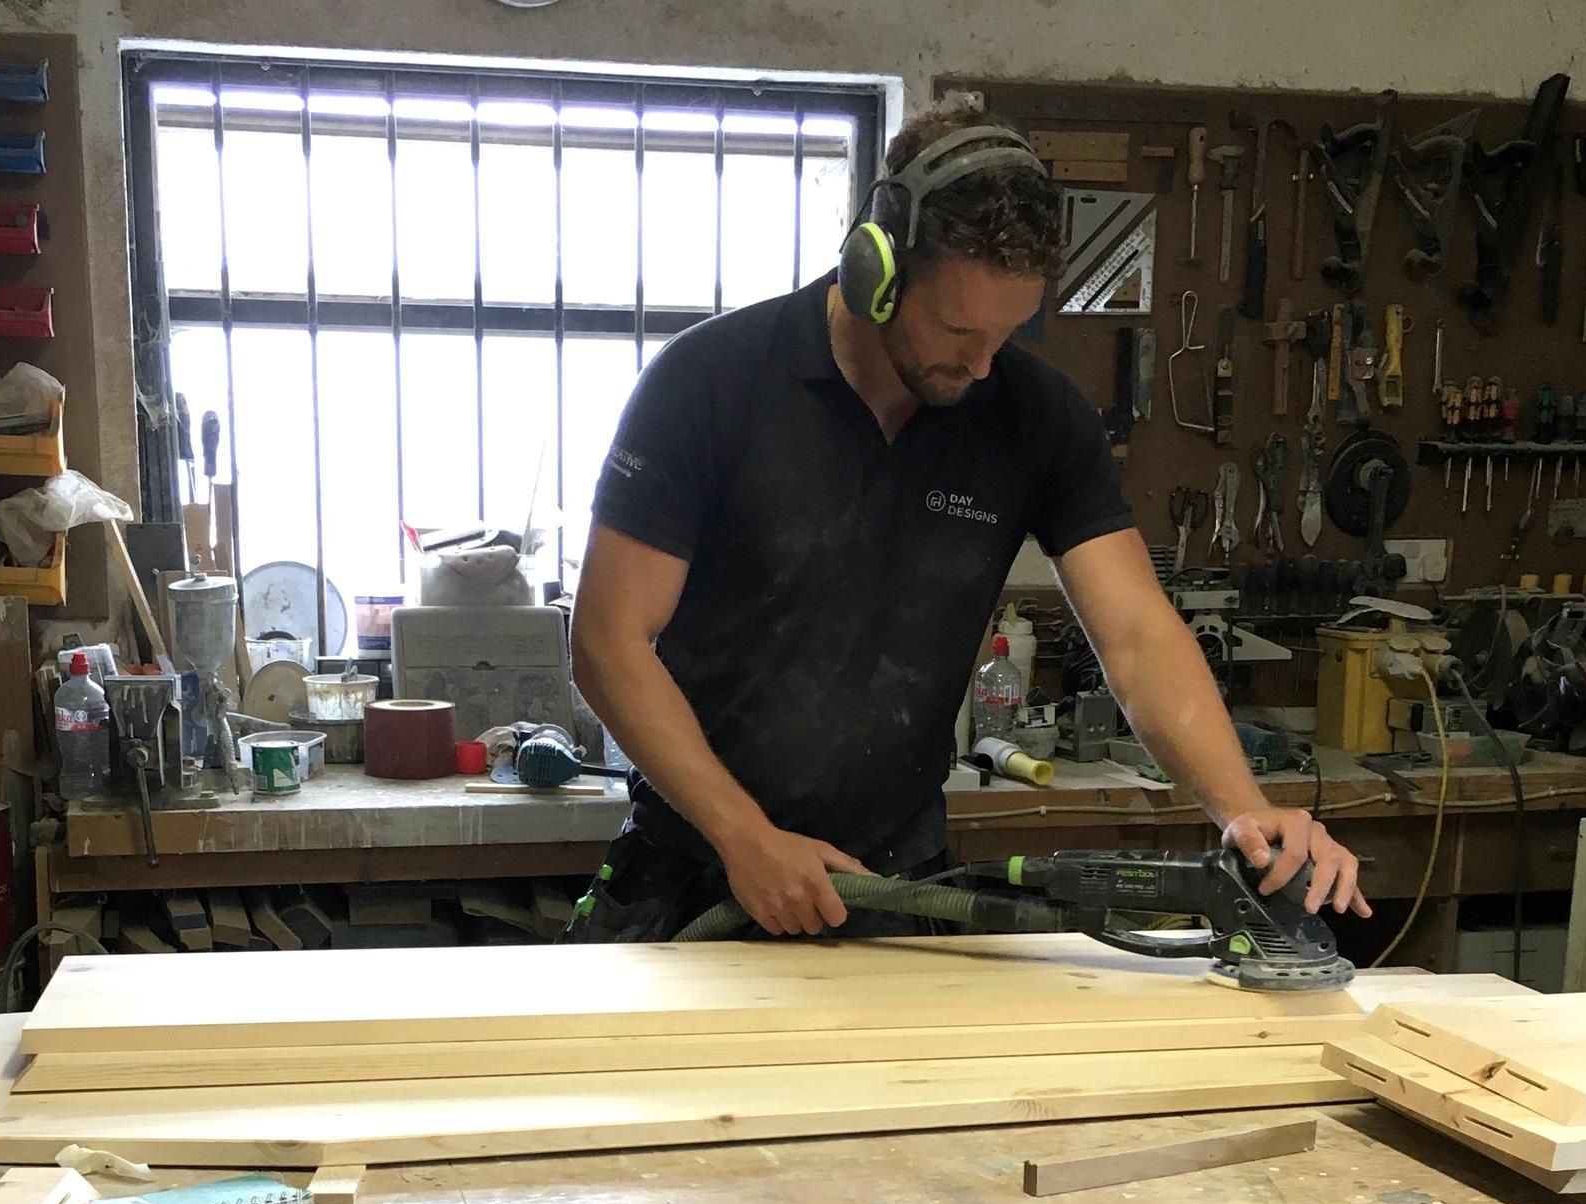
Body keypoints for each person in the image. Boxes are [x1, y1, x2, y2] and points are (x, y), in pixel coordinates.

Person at [565, 97, 1369, 942]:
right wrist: (744, 835)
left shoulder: (1033, 417)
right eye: (957, 330)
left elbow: (1137, 633)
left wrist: (1244, 812)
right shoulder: (710, 384)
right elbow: (608, 641)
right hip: (696, 879)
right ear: (876, 269)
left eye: (1008, 332)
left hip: (891, 894)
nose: (983, 364)